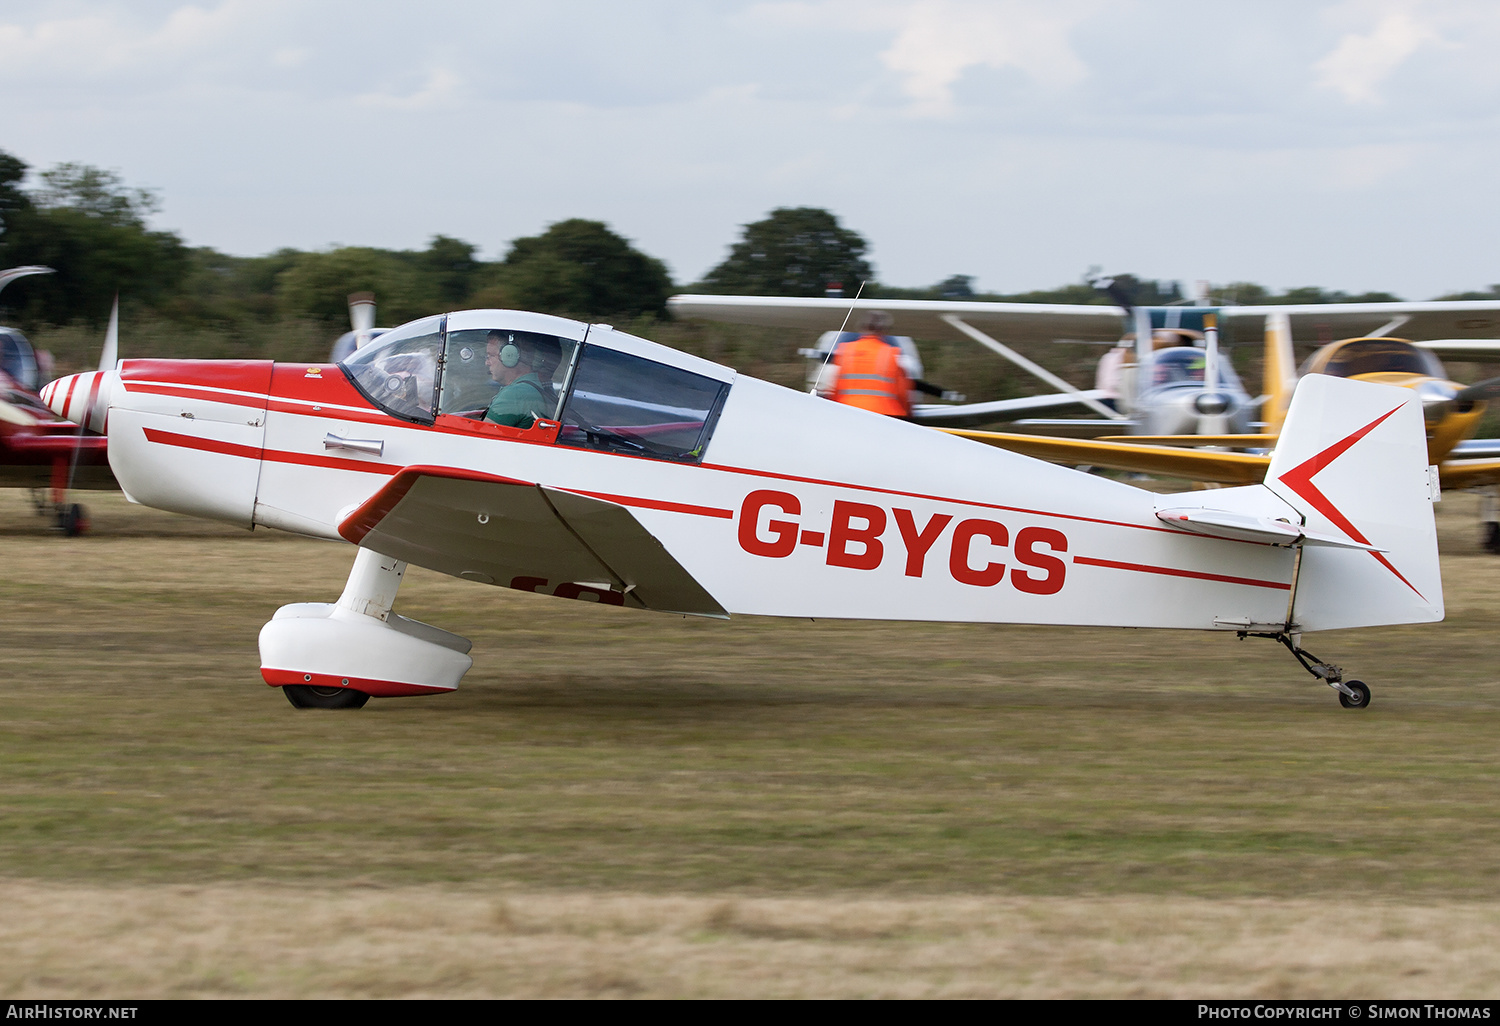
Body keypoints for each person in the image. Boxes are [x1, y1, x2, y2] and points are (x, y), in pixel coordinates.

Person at [825, 311, 913, 417]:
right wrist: (908, 415)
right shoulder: (892, 354)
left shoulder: (844, 351)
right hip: (884, 415)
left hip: (848, 411)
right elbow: (903, 394)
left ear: (861, 327)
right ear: (884, 330)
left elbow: (834, 389)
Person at [484, 331, 561, 427]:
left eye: (491, 356)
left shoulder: (515, 394)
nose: (487, 363)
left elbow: (481, 438)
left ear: (509, 355)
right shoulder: (537, 387)